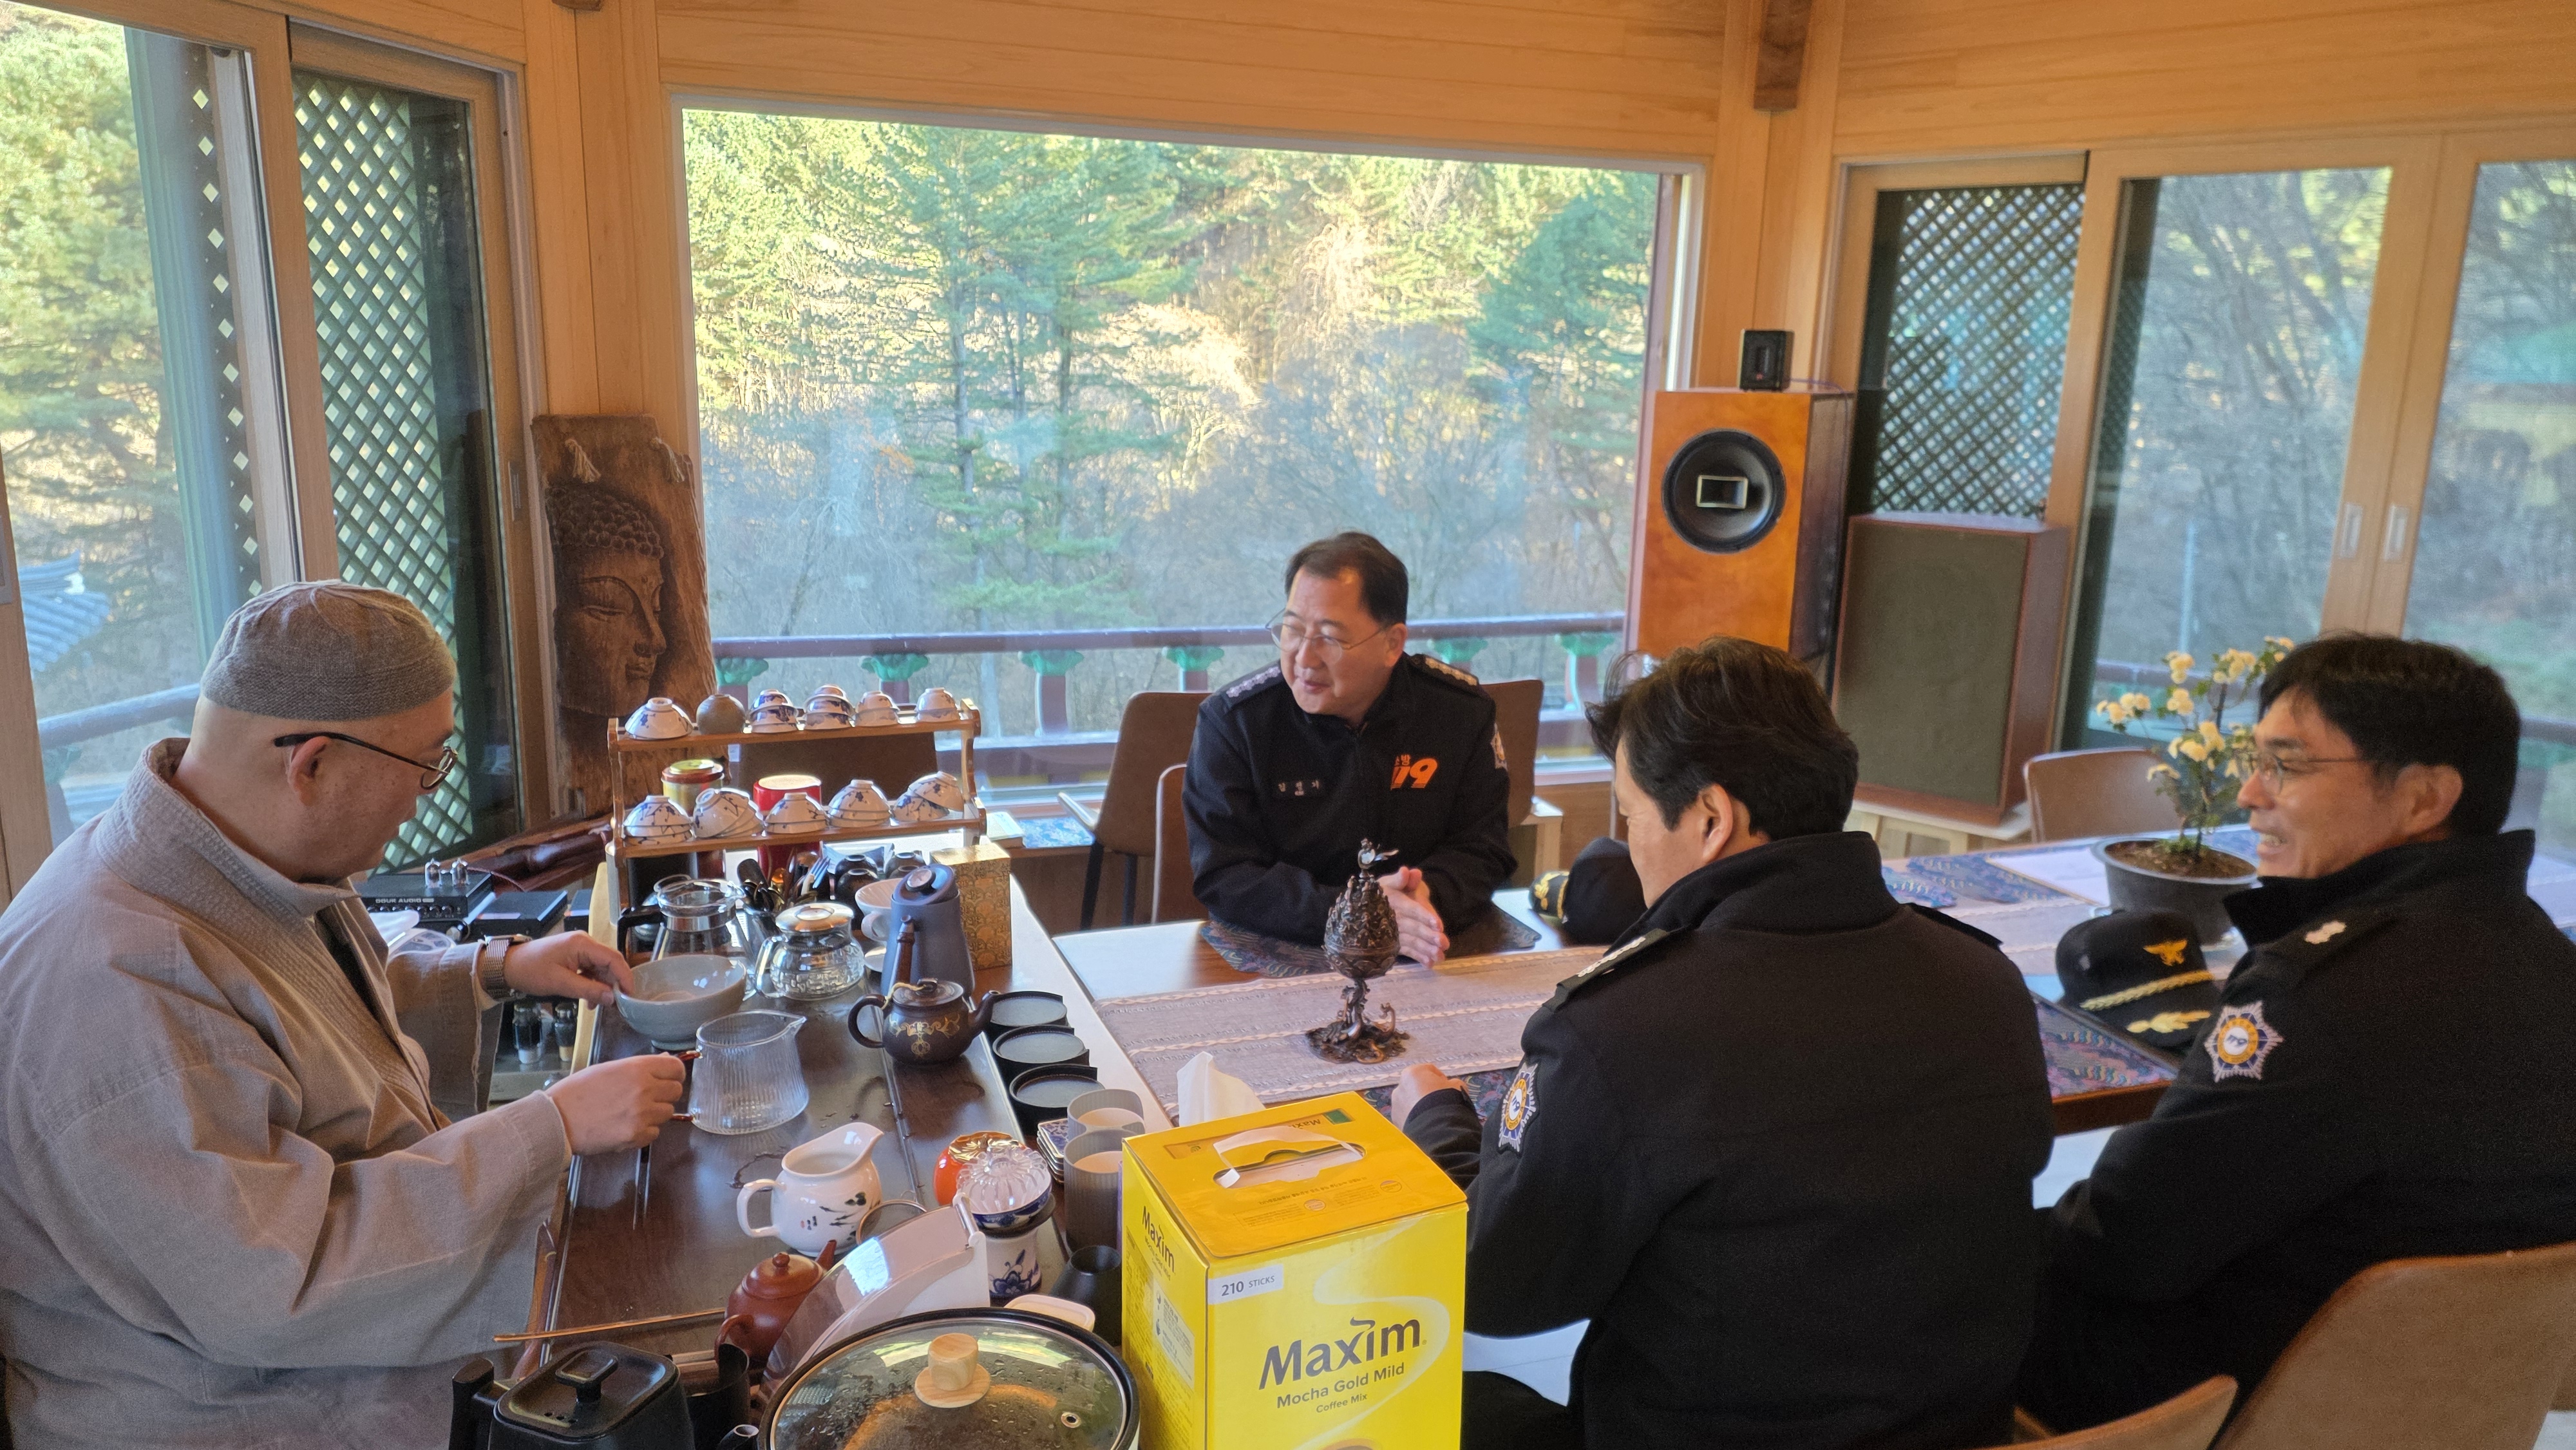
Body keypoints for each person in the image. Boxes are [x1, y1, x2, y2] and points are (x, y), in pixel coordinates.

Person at [0, 583, 686, 1449]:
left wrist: (494, 969)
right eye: (426, 764)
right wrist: (549, 1126)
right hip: (244, 1418)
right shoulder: (112, 982)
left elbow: (296, 1009)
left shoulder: (216, 851)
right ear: (313, 763)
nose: (421, 799)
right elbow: (275, 1278)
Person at [1392, 636, 2054, 1450]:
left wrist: (1437, 1119)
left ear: (1710, 818)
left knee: (1429, 1401)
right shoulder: (1983, 981)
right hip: (1953, 1431)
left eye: (1631, 815)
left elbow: (1491, 1280)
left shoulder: (1625, 1027)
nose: (1629, 843)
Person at [2017, 635, 2576, 1431]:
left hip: (2235, 1399)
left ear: (2424, 798)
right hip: (2451, 1401)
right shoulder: (2547, 958)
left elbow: (2126, 1241)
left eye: (2286, 765)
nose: (2249, 793)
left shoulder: (2321, 993)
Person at [1184, 531, 1515, 963]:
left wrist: (1426, 897)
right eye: (1292, 630)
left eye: (1329, 638)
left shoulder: (1459, 713)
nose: (1304, 658)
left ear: (1392, 644)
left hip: (1426, 940)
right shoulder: (1236, 723)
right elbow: (1227, 874)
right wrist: (1358, 911)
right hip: (1284, 949)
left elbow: (1483, 848)